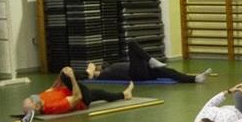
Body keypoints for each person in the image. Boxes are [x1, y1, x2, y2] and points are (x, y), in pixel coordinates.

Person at [81, 40, 212, 84]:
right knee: (132, 44)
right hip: (135, 75)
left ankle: (194, 79)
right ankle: (151, 60)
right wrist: (92, 67)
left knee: (167, 71)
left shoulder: (112, 66)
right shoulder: (104, 74)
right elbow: (90, 73)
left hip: (143, 71)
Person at [23, 67, 133, 115]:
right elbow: (78, 97)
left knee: (101, 93)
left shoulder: (41, 98)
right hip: (83, 100)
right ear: (37, 106)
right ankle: (88, 74)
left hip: (80, 93)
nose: (32, 97)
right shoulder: (52, 106)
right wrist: (72, 78)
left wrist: (60, 75)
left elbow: (54, 87)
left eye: (30, 98)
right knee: (66, 76)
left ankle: (124, 95)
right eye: (32, 100)